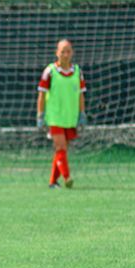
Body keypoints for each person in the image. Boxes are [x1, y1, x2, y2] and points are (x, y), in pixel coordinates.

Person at [37, 39, 87, 189]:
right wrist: (40, 115)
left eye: (68, 51)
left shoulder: (77, 72)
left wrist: (82, 113)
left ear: (72, 53)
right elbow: (41, 94)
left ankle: (53, 182)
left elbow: (80, 95)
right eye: (62, 51)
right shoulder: (50, 71)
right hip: (54, 117)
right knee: (60, 148)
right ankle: (67, 177)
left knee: (62, 151)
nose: (65, 54)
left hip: (70, 117)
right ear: (57, 53)